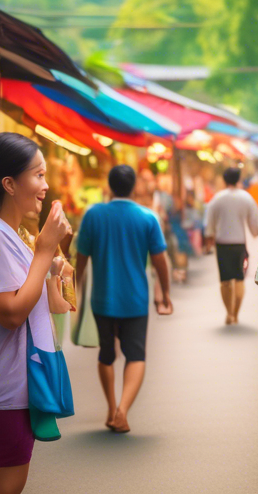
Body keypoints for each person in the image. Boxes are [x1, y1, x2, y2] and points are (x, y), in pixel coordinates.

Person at [0, 132, 73, 494]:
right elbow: (10, 313)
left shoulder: (5, 233)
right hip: (1, 392)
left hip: (3, 388)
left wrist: (49, 264)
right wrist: (44, 250)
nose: (45, 185)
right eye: (38, 175)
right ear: (9, 184)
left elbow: (40, 301)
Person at [75, 165, 172, 434]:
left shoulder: (93, 215)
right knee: (136, 355)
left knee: (106, 354)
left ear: (109, 185)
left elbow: (80, 260)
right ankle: (123, 411)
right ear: (134, 187)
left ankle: (110, 407)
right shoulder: (147, 217)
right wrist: (165, 293)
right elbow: (160, 261)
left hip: (102, 299)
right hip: (136, 300)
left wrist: (76, 291)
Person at [204, 167, 258, 325]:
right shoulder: (246, 198)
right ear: (238, 180)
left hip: (222, 244)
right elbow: (254, 221)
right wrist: (255, 232)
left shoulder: (217, 198)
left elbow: (209, 223)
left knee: (225, 280)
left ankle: (229, 312)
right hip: (239, 244)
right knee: (239, 279)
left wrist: (209, 239)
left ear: (224, 180)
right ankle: (235, 313)